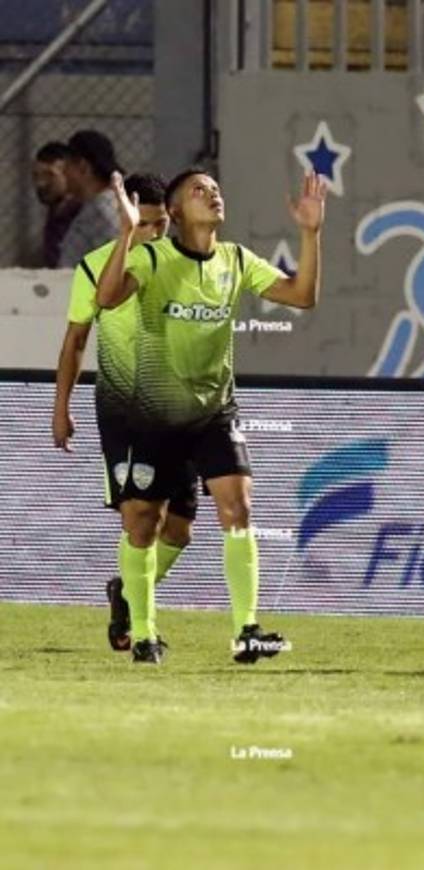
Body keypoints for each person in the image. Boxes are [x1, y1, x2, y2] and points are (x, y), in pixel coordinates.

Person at [93, 167, 328, 665]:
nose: (213, 194)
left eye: (216, 189)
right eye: (199, 190)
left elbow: (302, 296)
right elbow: (107, 298)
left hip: (214, 410)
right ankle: (143, 632)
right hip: (153, 413)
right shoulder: (153, 258)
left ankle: (247, 631)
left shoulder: (236, 260)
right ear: (175, 211)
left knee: (238, 507)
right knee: (144, 525)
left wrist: (310, 233)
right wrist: (127, 233)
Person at [52, 173, 196, 652]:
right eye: (143, 223)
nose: (152, 233)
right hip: (124, 406)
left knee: (179, 530)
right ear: (125, 216)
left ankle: (128, 594)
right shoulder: (96, 268)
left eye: (160, 224)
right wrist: (61, 407)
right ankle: (144, 635)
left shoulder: (184, 262)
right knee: (139, 517)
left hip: (180, 406)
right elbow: (76, 340)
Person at [57, 130, 124, 267]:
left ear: (83, 167)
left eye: (67, 166)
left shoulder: (103, 212)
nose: (63, 172)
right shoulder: (97, 206)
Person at [33, 141, 81, 268]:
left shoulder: (83, 214)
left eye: (50, 175)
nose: (40, 183)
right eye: (36, 176)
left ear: (69, 173)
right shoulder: (54, 212)